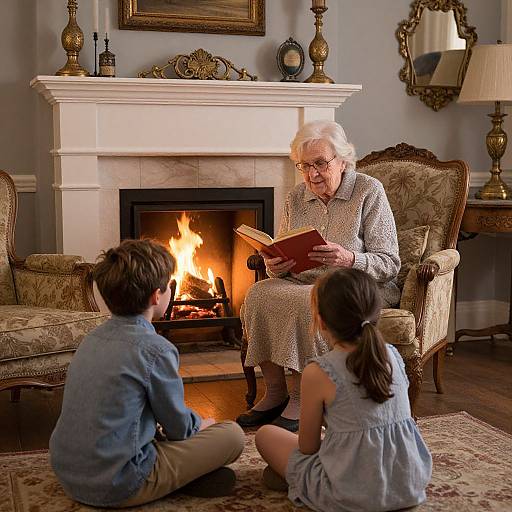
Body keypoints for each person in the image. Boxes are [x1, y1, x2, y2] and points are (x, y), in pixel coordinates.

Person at [49, 239, 245, 508]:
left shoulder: (90, 338)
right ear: (156, 296)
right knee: (232, 435)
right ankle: (182, 479)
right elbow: (178, 429)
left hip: (68, 472)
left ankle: (186, 475)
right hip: (118, 483)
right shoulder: (156, 349)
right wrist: (202, 424)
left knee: (164, 439)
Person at [236, 120, 400, 432]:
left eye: (320, 164)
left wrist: (349, 258)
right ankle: (275, 392)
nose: (312, 175)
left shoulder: (369, 191)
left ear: (343, 160)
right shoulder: (297, 197)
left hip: (357, 286)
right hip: (302, 280)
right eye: (304, 166)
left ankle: (301, 398)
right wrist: (276, 265)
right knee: (258, 293)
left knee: (306, 301)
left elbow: (390, 263)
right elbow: (282, 251)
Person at [255, 268, 433, 511]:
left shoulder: (318, 371)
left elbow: (308, 448)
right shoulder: (393, 355)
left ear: (319, 319)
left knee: (265, 435)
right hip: (408, 484)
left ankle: (298, 482)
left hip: (350, 493)